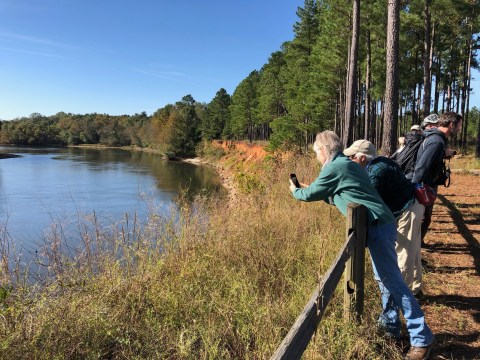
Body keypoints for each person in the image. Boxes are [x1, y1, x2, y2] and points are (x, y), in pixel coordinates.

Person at [289, 131, 435, 359]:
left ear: (323, 150)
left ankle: (422, 337)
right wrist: (317, 190)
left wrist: (295, 190)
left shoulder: (333, 166)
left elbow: (308, 195)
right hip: (381, 223)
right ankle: (390, 326)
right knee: (385, 278)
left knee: (393, 280)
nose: (316, 156)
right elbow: (344, 192)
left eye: (316, 152)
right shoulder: (348, 164)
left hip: (377, 225)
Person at [344, 140, 424, 295]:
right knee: (412, 252)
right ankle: (414, 289)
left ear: (362, 158)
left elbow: (371, 201)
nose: (349, 160)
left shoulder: (376, 172)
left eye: (352, 157)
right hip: (411, 206)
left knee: (403, 254)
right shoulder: (380, 162)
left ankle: (400, 296)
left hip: (406, 211)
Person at [411, 112, 463, 242]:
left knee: (422, 221)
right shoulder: (437, 141)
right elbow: (421, 168)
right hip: (420, 188)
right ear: (452, 124)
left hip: (423, 186)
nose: (460, 128)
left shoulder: (435, 139)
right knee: (419, 223)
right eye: (459, 125)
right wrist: (416, 195)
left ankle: (416, 253)